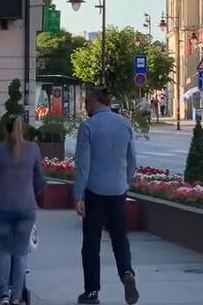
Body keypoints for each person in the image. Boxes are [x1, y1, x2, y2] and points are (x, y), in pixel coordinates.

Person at [73, 87, 139, 305]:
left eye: (86, 102)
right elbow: (132, 161)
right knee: (120, 238)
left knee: (91, 243)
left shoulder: (88, 127)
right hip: (118, 191)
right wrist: (125, 183)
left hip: (95, 191)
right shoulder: (124, 124)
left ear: (94, 102)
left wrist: (78, 196)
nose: (85, 106)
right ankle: (127, 273)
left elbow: (83, 166)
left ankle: (91, 291)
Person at [0, 115, 46, 305]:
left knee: (5, 251)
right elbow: (41, 181)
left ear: (5, 130)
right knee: (21, 253)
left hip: (2, 207)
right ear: (22, 129)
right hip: (26, 207)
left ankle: (3, 296)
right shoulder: (33, 150)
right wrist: (32, 192)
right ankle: (17, 296)